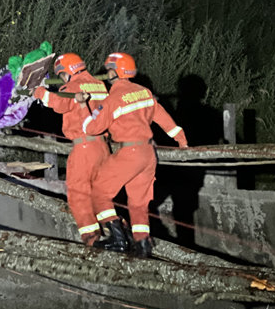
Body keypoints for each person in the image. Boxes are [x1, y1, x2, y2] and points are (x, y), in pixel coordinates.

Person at [81, 52, 188, 256]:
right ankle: (142, 245)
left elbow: (92, 128)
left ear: (113, 72)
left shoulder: (113, 99)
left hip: (129, 152)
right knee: (138, 203)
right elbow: (164, 119)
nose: (106, 74)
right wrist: (181, 139)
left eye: (108, 70)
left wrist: (86, 107)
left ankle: (117, 239)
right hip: (148, 154)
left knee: (99, 192)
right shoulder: (144, 92)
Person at [32, 53, 110, 245]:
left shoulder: (72, 86)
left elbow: (60, 103)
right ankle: (116, 229)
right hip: (103, 146)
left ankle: (92, 238)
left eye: (62, 76)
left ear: (67, 73)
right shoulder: (100, 86)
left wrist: (40, 92)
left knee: (78, 194)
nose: (62, 80)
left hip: (84, 146)